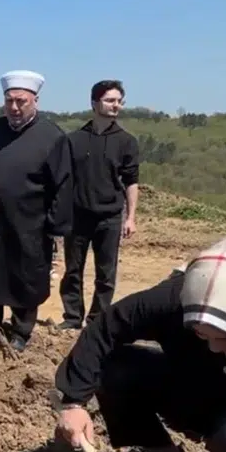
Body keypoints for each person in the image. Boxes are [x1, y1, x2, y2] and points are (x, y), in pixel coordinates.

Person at [54, 236, 226, 452]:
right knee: (116, 369)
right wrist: (74, 403)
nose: (213, 348)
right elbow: (106, 327)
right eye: (200, 334)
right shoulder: (178, 297)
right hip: (196, 388)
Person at [0, 70, 73, 351]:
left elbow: (64, 184)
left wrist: (55, 225)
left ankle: (21, 331)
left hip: (31, 222)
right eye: (9, 101)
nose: (14, 107)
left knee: (25, 276)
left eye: (21, 101)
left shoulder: (52, 136)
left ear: (35, 100)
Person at [60, 80, 140, 330]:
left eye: (119, 101)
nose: (116, 105)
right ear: (94, 103)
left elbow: (131, 181)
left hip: (110, 217)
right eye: (110, 100)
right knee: (73, 271)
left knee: (106, 274)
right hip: (77, 215)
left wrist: (131, 217)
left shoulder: (127, 141)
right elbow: (63, 179)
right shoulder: (73, 140)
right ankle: (72, 318)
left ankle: (97, 320)